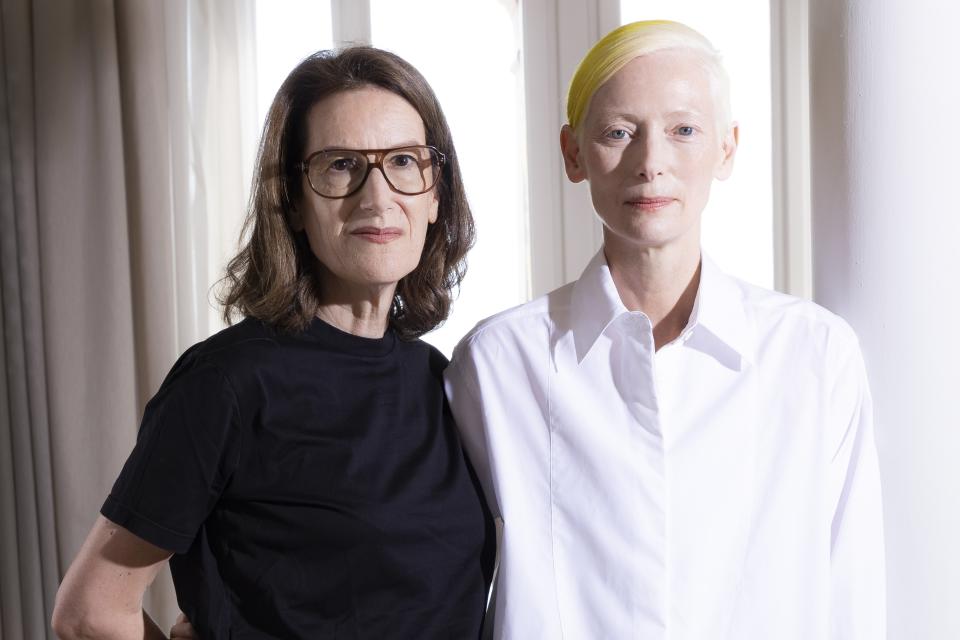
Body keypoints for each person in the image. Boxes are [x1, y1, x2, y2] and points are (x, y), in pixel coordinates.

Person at [445, 20, 885, 639]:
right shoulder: (497, 363)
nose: (651, 163)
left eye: (684, 130)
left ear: (727, 148)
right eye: (619, 132)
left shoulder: (815, 354)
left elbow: (853, 596)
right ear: (573, 153)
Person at [52, 46, 494, 639]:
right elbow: (89, 612)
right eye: (341, 165)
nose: (377, 196)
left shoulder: (447, 380)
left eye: (404, 161)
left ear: (435, 192)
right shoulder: (227, 384)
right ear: (292, 202)